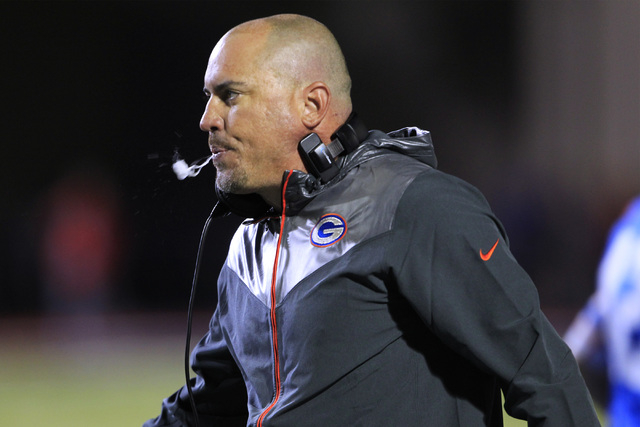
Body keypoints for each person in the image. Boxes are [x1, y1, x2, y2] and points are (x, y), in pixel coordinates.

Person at [144, 14, 599, 427]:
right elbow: (209, 406)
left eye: (230, 96)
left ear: (311, 105)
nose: (207, 120)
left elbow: (545, 379)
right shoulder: (249, 245)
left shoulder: (417, 205)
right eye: (209, 98)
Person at [564, 196, 640, 426]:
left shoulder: (624, 236)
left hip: (626, 401)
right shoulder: (628, 233)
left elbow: (602, 307)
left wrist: (565, 354)